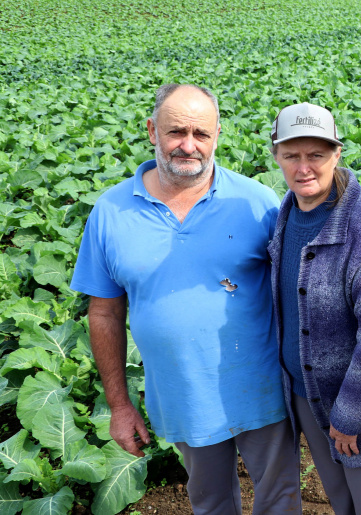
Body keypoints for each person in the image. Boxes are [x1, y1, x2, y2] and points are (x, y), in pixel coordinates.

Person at [71, 84, 301, 513]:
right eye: (176, 131)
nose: (188, 145)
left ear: (218, 135)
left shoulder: (256, 202)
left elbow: (297, 292)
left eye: (201, 134)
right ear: (151, 131)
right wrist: (119, 406)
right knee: (210, 501)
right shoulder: (111, 212)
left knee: (280, 499)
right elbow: (103, 312)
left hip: (263, 389)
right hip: (183, 396)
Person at [267, 102, 361, 515]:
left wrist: (349, 416)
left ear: (336, 154)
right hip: (307, 395)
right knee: (341, 502)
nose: (304, 167)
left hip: (359, 406)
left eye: (316, 154)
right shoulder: (288, 213)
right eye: (292, 155)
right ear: (276, 155)